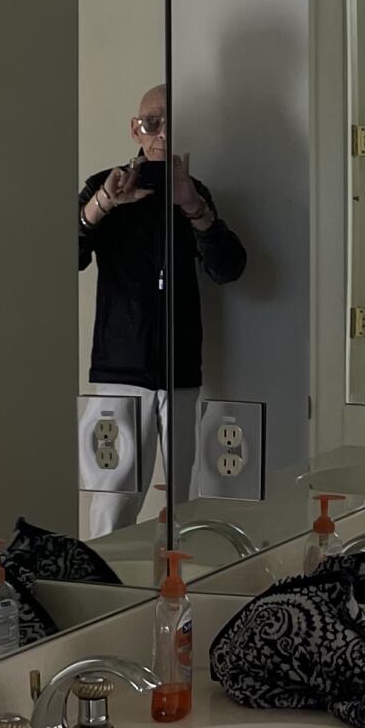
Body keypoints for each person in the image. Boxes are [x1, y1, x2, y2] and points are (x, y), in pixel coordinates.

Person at [77, 86, 246, 530]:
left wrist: (194, 207)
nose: (163, 133)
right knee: (111, 504)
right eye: (153, 122)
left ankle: (174, 587)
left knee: (183, 503)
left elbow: (228, 269)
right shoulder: (104, 186)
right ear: (136, 129)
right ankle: (107, 594)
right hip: (117, 371)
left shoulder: (195, 192)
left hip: (180, 369)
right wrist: (101, 207)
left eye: (173, 123)